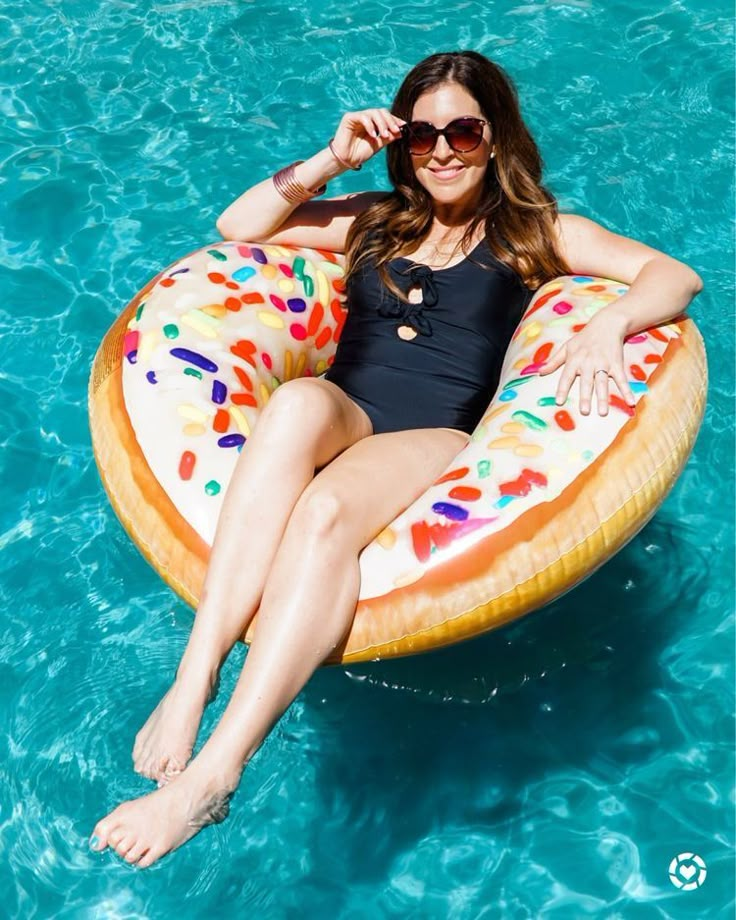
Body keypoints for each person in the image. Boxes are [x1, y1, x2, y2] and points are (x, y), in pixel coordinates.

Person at [88, 50, 702, 868]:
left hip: (438, 437)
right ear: (400, 141)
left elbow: (674, 276)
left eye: (463, 130)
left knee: (325, 514)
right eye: (422, 134)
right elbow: (237, 228)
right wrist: (331, 159)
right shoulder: (377, 216)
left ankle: (213, 776)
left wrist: (608, 323)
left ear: (496, 137)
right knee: (297, 402)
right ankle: (194, 679)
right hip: (347, 412)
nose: (443, 150)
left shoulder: (535, 233)